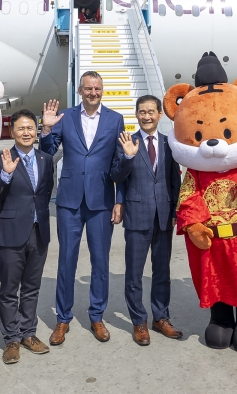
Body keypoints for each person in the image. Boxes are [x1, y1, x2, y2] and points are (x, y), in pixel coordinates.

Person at [39, 71, 125, 344]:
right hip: (69, 201)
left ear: (102, 90)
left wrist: (119, 199)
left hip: (101, 201)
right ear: (80, 90)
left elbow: (120, 163)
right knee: (67, 260)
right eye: (88, 88)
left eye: (97, 88)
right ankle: (62, 319)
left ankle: (96, 316)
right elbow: (48, 151)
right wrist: (47, 128)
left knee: (100, 262)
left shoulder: (115, 119)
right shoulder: (65, 117)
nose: (93, 93)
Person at [110, 95, 184, 346]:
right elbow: (116, 175)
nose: (147, 116)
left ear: (159, 114)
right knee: (134, 273)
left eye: (151, 111)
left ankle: (160, 317)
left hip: (163, 215)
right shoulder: (127, 142)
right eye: (142, 112)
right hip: (137, 215)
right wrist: (129, 157)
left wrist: (175, 211)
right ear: (136, 115)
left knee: (162, 271)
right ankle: (139, 321)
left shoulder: (168, 143)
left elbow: (175, 180)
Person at [0, 109, 55, 364]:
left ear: (36, 131)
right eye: (21, 129)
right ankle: (11, 339)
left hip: (39, 233)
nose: (26, 133)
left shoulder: (46, 159)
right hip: (11, 233)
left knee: (31, 288)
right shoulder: (1, 159)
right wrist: (5, 174)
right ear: (12, 132)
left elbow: (44, 193)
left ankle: (28, 333)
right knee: (8, 290)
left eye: (30, 128)